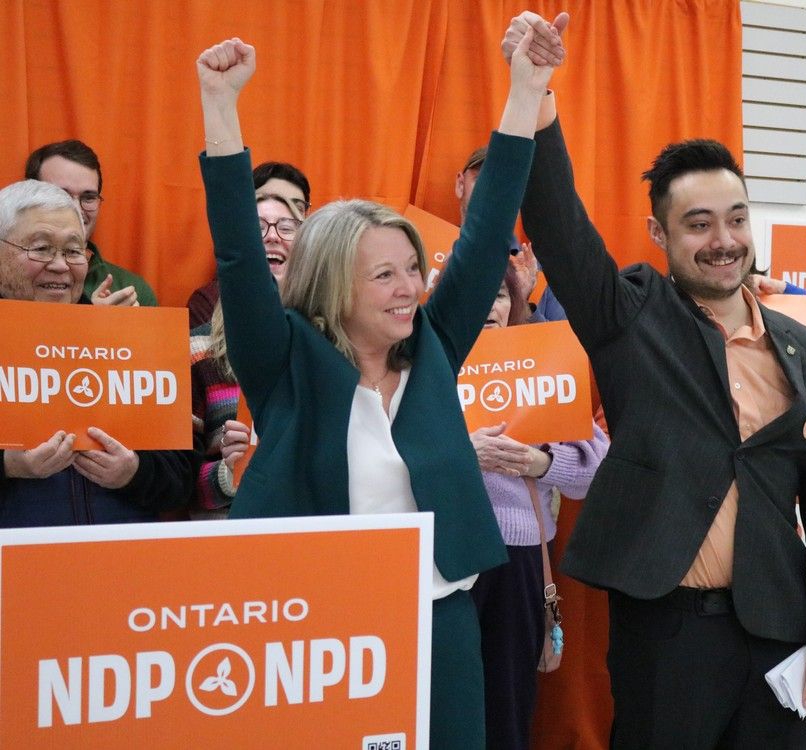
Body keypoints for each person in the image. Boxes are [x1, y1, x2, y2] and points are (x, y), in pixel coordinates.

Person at [504, 12, 806, 748]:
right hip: (668, 633)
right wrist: (536, 96)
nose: (723, 241)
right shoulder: (631, 316)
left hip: (782, 631)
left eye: (736, 219)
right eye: (698, 224)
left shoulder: (805, 346)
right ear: (659, 234)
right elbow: (560, 226)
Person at [196, 32, 551, 746]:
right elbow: (238, 254)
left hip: (441, 621)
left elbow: (486, 234)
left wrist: (525, 89)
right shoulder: (284, 360)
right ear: (333, 283)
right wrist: (220, 105)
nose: (409, 288)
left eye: (412, 269)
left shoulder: (434, 344)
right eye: (385, 275)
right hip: (317, 628)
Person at [467, 264, 608, 749]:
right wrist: (463, 453)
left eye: (499, 295)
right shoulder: (423, 364)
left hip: (519, 558)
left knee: (508, 701)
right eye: (475, 293)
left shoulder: (540, 363)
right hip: (441, 555)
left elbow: (596, 468)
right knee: (442, 699)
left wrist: (541, 461)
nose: (489, 306)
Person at [0, 180, 191, 526]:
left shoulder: (128, 342)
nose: (60, 265)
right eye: (41, 248)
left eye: (74, 251)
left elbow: (182, 479)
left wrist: (135, 472)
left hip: (122, 552)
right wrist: (9, 466)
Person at [189, 192, 303, 518]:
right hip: (232, 534)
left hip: (316, 533)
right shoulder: (197, 349)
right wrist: (229, 471)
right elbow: (176, 486)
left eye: (287, 227)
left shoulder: (335, 348)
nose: (271, 236)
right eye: (257, 228)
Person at [25, 140, 157, 307]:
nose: (75, 209)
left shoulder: (130, 290)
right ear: (28, 199)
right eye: (60, 195)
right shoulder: (9, 274)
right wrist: (91, 317)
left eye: (88, 198)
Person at [186, 160, 310, 328]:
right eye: (259, 225)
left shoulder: (318, 301)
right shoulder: (207, 303)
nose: (273, 236)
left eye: (287, 225)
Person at [456, 146, 566, 323]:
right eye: (482, 180)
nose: (493, 193)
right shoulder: (423, 253)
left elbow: (561, 340)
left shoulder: (543, 276)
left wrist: (520, 301)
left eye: (506, 185)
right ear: (460, 185)